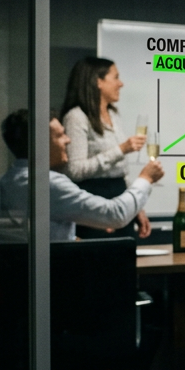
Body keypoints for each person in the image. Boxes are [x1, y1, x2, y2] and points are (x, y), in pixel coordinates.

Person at [0, 109, 164, 241]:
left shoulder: (7, 181)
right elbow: (115, 214)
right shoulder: (47, 183)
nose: (68, 140)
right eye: (60, 135)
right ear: (39, 144)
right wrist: (146, 179)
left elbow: (45, 235)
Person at [59, 56, 151, 239]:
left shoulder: (113, 114)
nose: (121, 84)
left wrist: (137, 208)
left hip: (119, 197)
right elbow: (74, 170)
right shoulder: (76, 117)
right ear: (98, 81)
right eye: (116, 77)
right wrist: (121, 150)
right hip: (93, 202)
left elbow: (120, 170)